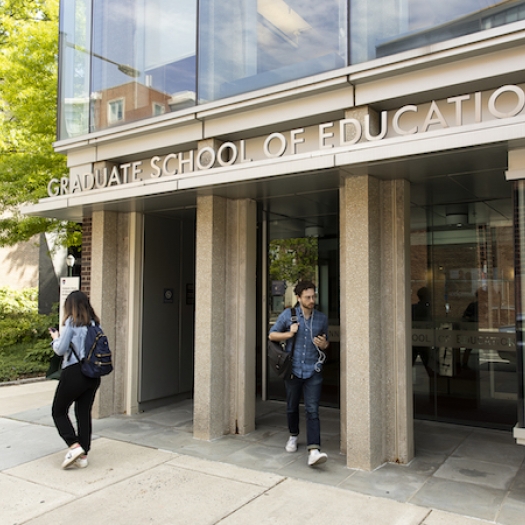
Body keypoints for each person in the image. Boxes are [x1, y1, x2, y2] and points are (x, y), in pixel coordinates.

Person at [269, 280, 329, 466]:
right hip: (293, 370)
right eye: (308, 297)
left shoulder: (321, 318)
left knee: (312, 409)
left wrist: (324, 345)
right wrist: (288, 334)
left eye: (313, 296)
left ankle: (314, 449)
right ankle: (293, 435)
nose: (312, 300)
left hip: (314, 370)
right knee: (291, 406)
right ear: (299, 298)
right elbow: (271, 335)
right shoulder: (289, 315)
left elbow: (326, 343)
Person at [49, 290, 102, 469]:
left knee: (58, 411)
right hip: (93, 375)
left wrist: (55, 338)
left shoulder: (72, 322)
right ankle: (83, 456)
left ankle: (74, 445)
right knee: (83, 413)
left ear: (70, 306)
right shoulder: (96, 323)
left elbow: (61, 349)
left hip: (74, 373)